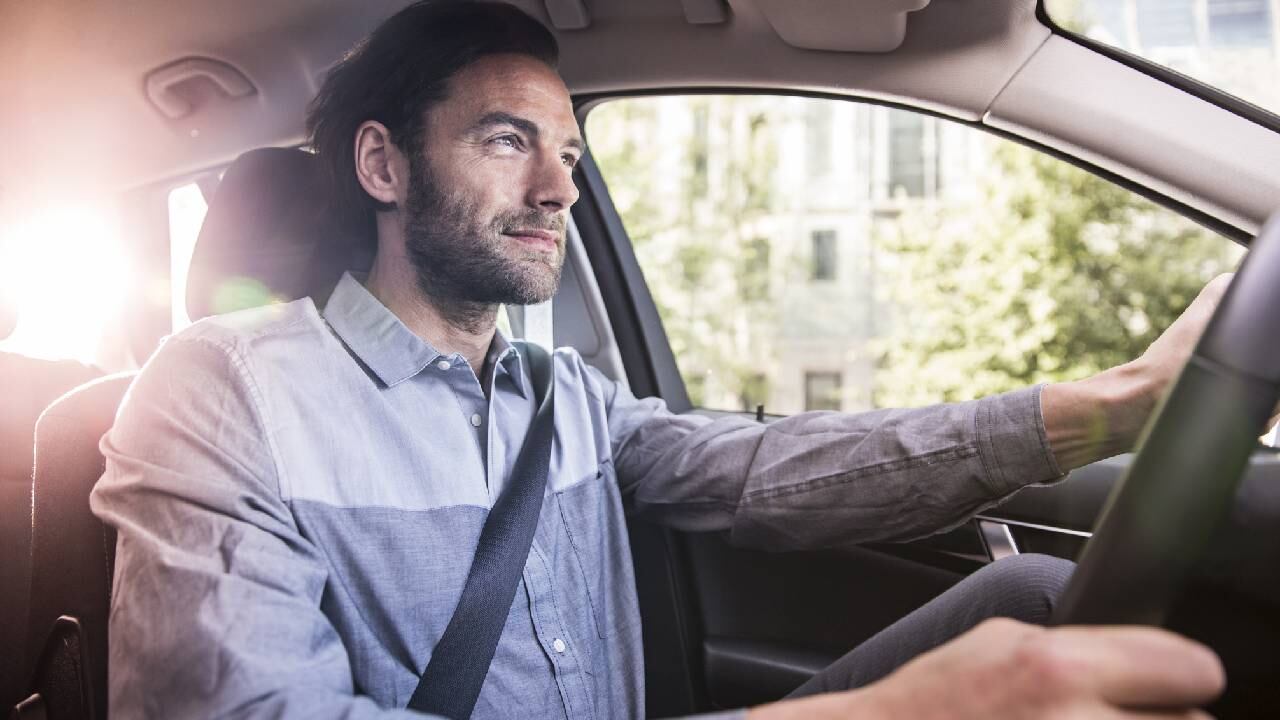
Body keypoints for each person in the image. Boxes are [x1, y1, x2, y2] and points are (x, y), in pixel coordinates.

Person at [89, 2, 1229, 718]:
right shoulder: (222, 390)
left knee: (1028, 602)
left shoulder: (562, 396)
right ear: (383, 167)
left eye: (568, 153)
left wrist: (1102, 409)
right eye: (505, 140)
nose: (557, 190)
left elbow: (769, 469)